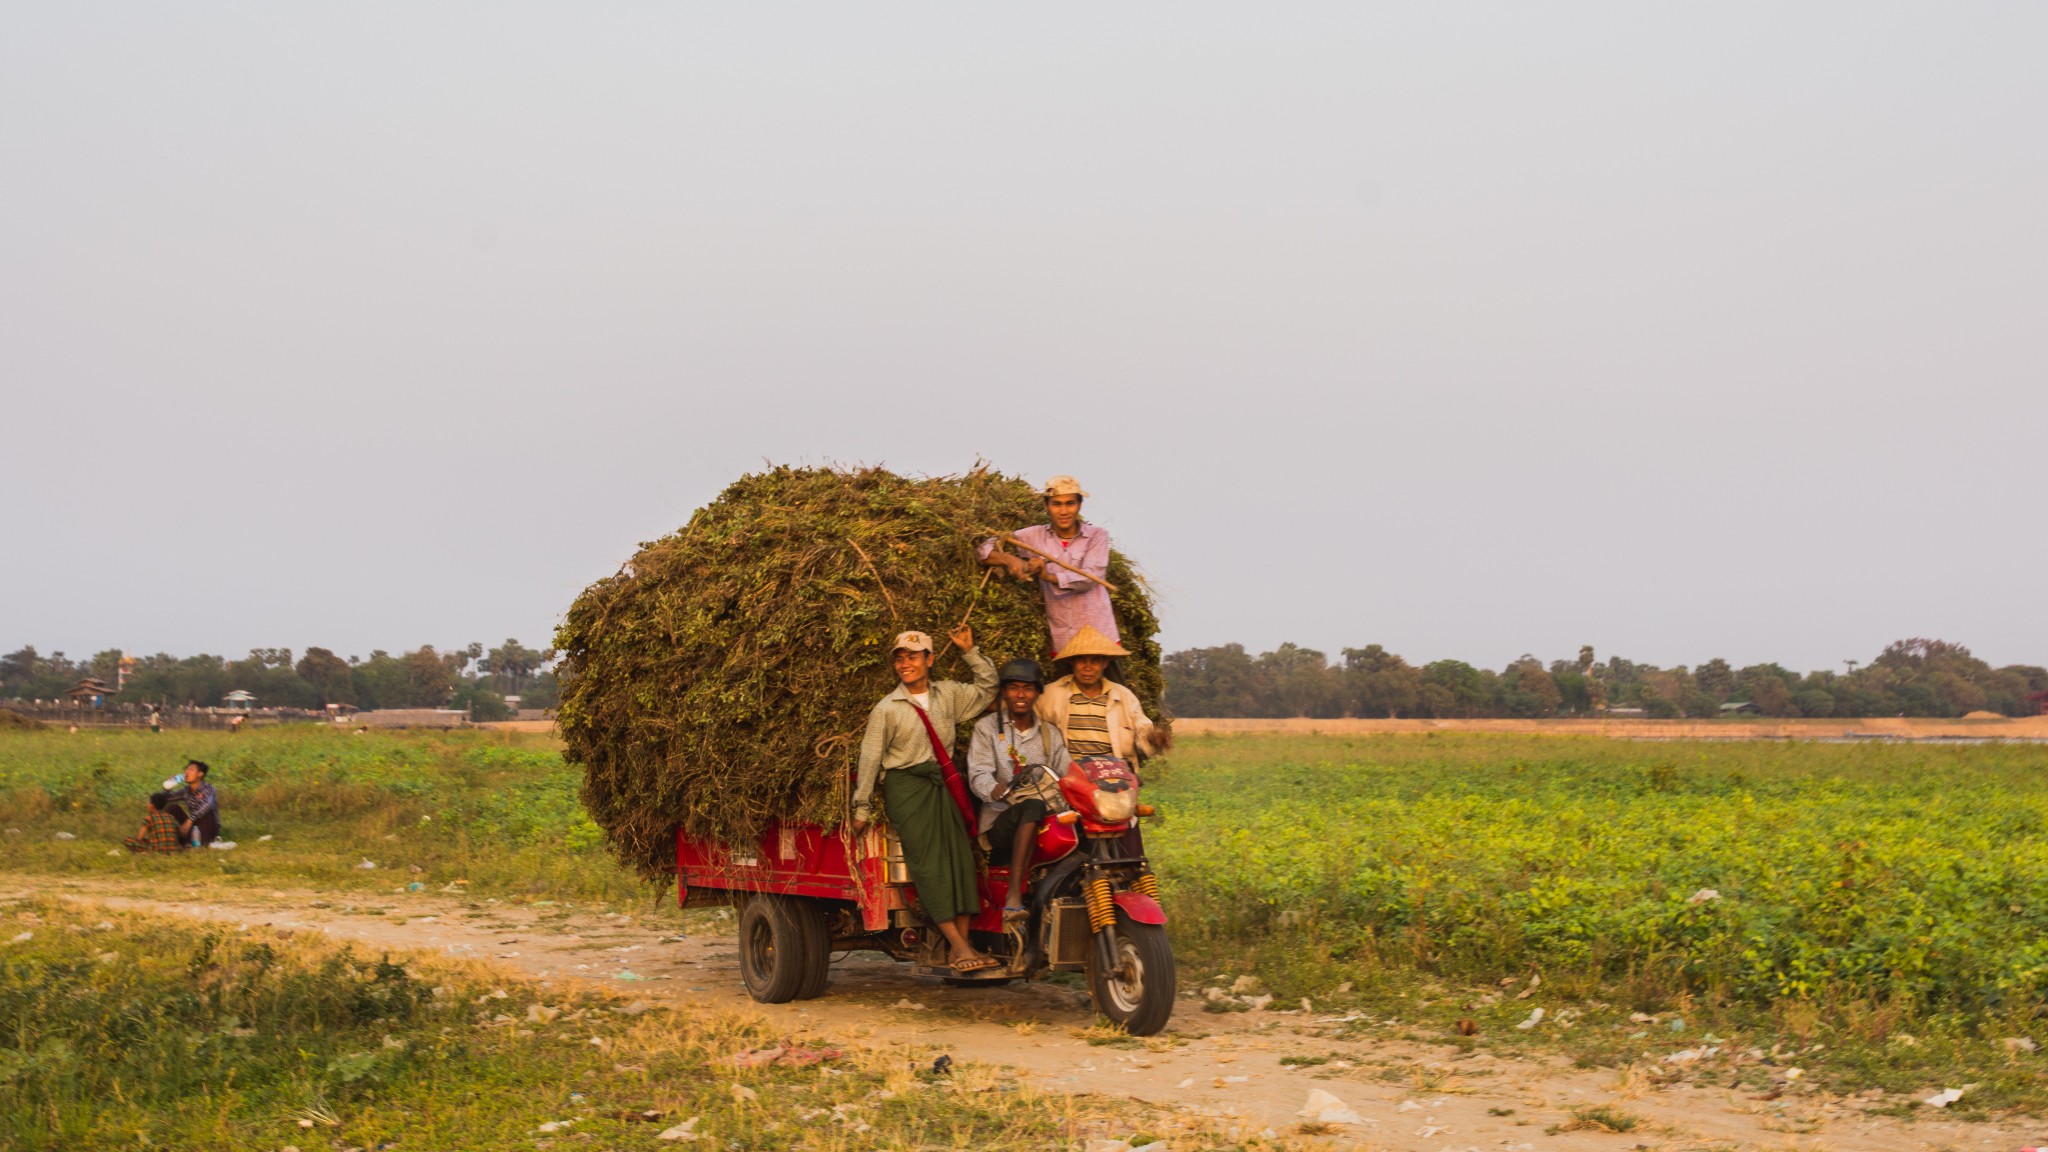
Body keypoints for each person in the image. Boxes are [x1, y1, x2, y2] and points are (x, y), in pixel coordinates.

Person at [851, 625, 1000, 973]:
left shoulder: (948, 695)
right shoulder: (887, 708)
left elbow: (988, 687)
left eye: (913, 657)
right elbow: (870, 759)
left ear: (929, 660)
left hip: (942, 786)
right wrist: (862, 806)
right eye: (900, 658)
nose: (905, 664)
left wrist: (969, 650)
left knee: (960, 863)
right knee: (930, 867)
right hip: (906, 789)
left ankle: (959, 949)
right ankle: (960, 946)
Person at [966, 659, 1069, 921]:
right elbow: (978, 773)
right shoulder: (987, 728)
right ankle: (1014, 896)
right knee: (1032, 806)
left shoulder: (1050, 735)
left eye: (1027, 688)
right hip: (1001, 823)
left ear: (1037, 693)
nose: (1020, 695)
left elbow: (1066, 774)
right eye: (1013, 688)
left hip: (1046, 822)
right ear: (1004, 692)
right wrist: (993, 788)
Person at [977, 475, 1118, 654]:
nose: (1064, 511)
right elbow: (983, 548)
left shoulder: (1097, 536)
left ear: (1079, 505)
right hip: (1063, 640)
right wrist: (1009, 559)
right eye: (1056, 504)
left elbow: (1089, 577)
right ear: (1046, 506)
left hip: (1100, 638)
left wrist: (1047, 576)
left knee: (1113, 684)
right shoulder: (1032, 536)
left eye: (1070, 503)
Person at [1037, 626, 1171, 764]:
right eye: (1082, 660)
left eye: (1095, 660)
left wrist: (1154, 737)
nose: (1088, 667)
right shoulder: (1050, 695)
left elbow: (1143, 729)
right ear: (1072, 662)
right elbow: (1030, 729)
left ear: (1104, 663)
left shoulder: (1124, 697)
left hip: (1114, 773)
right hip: (1069, 774)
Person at [166, 760, 219, 846]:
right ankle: (168, 838)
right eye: (186, 769)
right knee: (173, 808)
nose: (186, 772)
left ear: (200, 774)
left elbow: (207, 804)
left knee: (207, 811)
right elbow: (164, 800)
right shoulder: (185, 791)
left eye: (191, 769)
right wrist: (168, 787)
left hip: (208, 827)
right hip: (194, 828)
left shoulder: (209, 788)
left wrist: (190, 820)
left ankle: (199, 842)